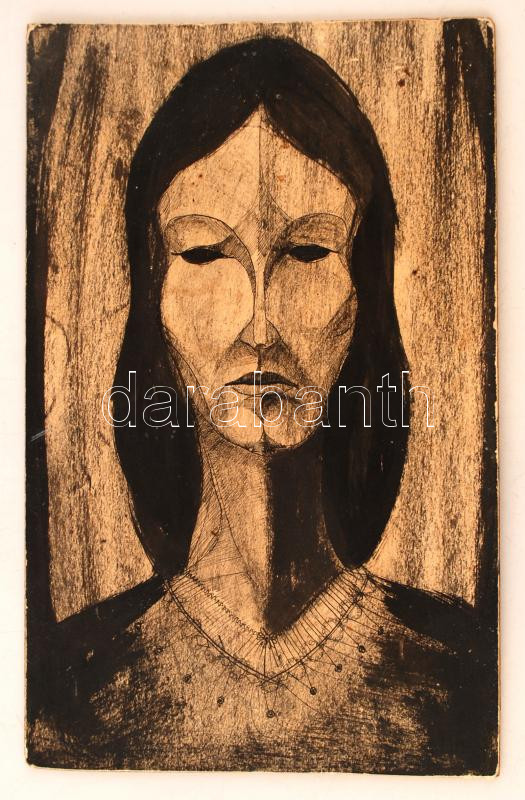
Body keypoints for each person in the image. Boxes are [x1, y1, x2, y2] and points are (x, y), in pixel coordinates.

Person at [27, 36, 490, 773]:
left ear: (365, 294)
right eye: (204, 254)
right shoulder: (65, 692)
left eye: (307, 254)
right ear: (152, 298)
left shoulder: (469, 680)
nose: (259, 324)